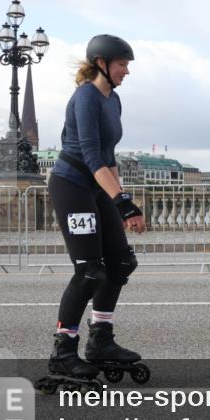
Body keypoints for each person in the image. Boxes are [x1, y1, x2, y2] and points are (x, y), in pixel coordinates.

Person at [46, 34, 147, 380]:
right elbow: (90, 156)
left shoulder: (113, 100)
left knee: (121, 262)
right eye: (122, 64)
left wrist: (120, 200)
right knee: (90, 271)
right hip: (72, 186)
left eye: (127, 65)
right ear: (102, 64)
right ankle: (63, 351)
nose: (126, 71)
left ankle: (100, 340)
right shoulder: (85, 97)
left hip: (97, 186)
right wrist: (123, 203)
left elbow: (108, 156)